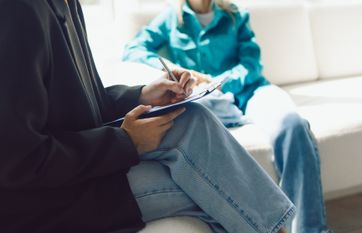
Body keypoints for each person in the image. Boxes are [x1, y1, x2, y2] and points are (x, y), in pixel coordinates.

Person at [0, 0, 295, 232]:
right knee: (219, 192)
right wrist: (126, 142)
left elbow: (83, 105)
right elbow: (17, 160)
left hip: (82, 174)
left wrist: (141, 94)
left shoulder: (67, 4)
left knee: (192, 117)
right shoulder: (17, 11)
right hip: (46, 202)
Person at [122, 0, 331, 232]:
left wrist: (219, 82)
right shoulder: (170, 19)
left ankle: (310, 229)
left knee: (293, 125)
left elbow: (252, 65)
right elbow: (133, 51)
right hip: (209, 102)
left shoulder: (235, 15)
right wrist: (173, 69)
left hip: (250, 91)